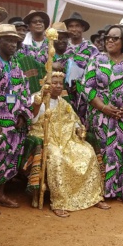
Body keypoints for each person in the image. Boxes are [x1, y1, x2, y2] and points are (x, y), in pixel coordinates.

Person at [27, 72, 109, 217]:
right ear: (46, 83)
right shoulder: (37, 98)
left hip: (66, 140)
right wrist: (38, 102)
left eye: (60, 83)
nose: (58, 86)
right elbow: (31, 120)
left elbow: (74, 120)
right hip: (46, 138)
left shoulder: (63, 103)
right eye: (54, 82)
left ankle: (93, 197)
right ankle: (60, 202)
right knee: (57, 159)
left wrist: (79, 129)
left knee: (88, 153)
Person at [84, 25, 123, 202]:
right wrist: (104, 107)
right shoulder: (96, 60)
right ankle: (103, 191)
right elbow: (87, 88)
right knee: (105, 152)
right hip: (102, 116)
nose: (109, 41)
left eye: (114, 38)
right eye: (107, 38)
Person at [0, 24, 33, 207]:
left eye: (15, 41)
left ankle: (0, 195)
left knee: (9, 157)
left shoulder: (16, 65)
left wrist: (22, 115)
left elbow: (24, 91)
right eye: (8, 40)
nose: (13, 44)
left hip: (14, 119)